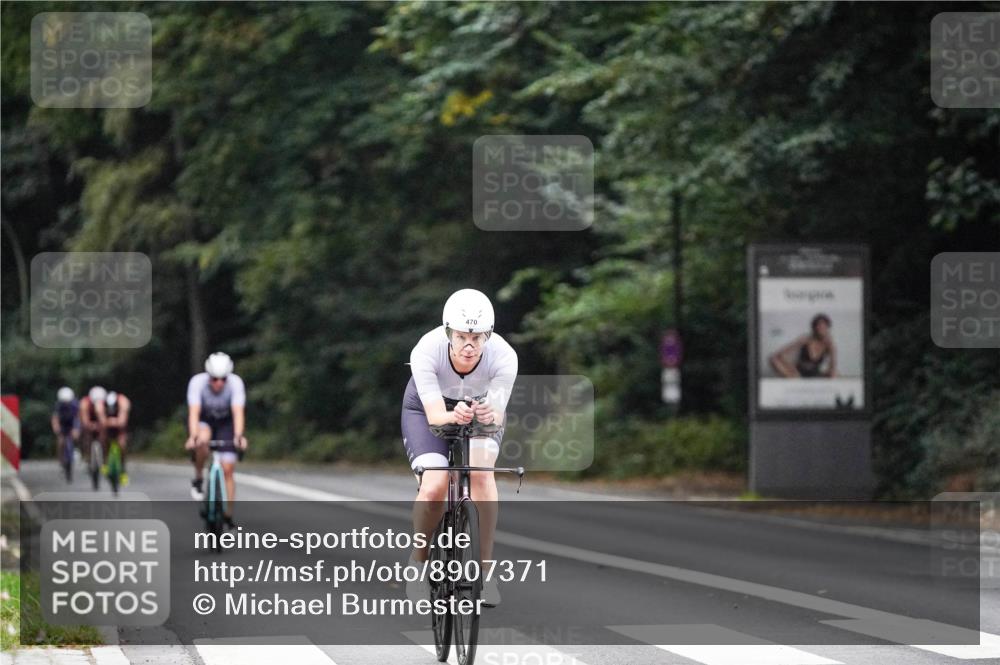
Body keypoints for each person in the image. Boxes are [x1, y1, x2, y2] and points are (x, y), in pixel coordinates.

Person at [402, 289, 517, 607]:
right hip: (429, 409)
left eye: (478, 338)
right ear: (448, 332)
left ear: (488, 336)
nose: (469, 345)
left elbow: (494, 419)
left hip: (479, 411)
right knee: (435, 484)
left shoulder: (504, 357)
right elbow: (437, 417)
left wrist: (485, 414)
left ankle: (486, 571)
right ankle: (418, 562)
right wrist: (454, 414)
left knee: (482, 476)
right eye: (462, 336)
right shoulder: (427, 349)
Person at [185, 352, 248, 527]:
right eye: (214, 379)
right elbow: (194, 413)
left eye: (223, 379)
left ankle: (228, 514)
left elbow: (238, 413)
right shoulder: (197, 383)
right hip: (205, 420)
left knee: (228, 468)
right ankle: (198, 477)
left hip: (226, 423)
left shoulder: (235, 383)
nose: (218, 383)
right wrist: (193, 436)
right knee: (202, 442)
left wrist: (238, 437)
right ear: (208, 376)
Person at [769, 313, 838, 378]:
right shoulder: (805, 339)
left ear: (828, 328)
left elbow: (832, 367)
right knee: (773, 359)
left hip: (815, 374)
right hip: (797, 373)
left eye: (824, 327)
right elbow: (779, 354)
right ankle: (795, 380)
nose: (821, 329)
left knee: (834, 374)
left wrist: (832, 348)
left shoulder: (829, 344)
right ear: (814, 328)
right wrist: (791, 366)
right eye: (818, 326)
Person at [103, 390, 132, 486]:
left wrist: (111, 421)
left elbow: (122, 422)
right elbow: (101, 420)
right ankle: (105, 463)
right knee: (103, 440)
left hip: (120, 430)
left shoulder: (123, 402)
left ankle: (123, 470)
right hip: (107, 429)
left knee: (122, 445)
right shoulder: (101, 404)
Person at [51, 387, 79, 474]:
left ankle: (78, 450)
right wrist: (56, 428)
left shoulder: (75, 405)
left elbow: (78, 418)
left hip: (72, 423)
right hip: (62, 424)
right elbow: (55, 418)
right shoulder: (58, 406)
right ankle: (61, 460)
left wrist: (76, 429)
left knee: (76, 437)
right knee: (60, 442)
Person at [78, 385, 106, 464]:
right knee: (86, 434)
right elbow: (84, 419)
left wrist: (100, 425)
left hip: (99, 421)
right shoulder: (84, 403)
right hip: (88, 420)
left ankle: (104, 455)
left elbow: (103, 420)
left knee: (103, 435)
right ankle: (86, 453)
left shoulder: (104, 403)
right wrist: (89, 425)